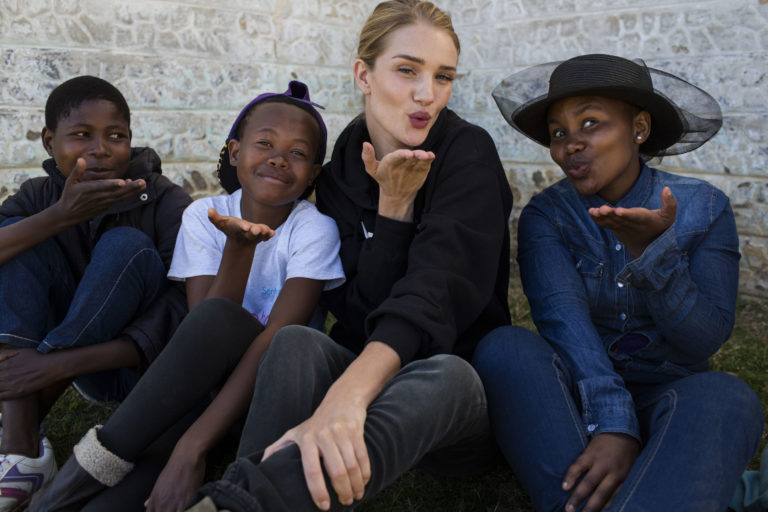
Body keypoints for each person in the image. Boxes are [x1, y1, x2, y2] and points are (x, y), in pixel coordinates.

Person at [181, 1, 514, 511]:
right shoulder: (340, 174)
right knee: (295, 342)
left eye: (443, 76)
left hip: (445, 404)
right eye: (407, 70)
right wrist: (393, 211)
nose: (427, 94)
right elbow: (357, 310)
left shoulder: (467, 154)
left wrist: (346, 397)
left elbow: (437, 296)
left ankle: (235, 501)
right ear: (364, 73)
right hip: (362, 388)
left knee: (448, 375)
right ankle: (243, 484)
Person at [29, 80, 345, 512]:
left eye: (297, 153)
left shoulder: (314, 229)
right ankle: (69, 490)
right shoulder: (203, 215)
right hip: (199, 385)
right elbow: (202, 331)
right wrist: (237, 248)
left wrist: (190, 449)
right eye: (265, 143)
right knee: (113, 501)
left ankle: (70, 485)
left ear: (313, 173)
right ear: (235, 152)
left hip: (266, 391)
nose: (278, 158)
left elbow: (277, 338)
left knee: (224, 340)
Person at [473, 53, 764, 512]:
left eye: (591, 122)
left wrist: (652, 256)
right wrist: (612, 424)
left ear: (640, 128)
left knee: (728, 398)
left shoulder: (705, 208)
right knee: (505, 348)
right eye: (559, 132)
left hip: (673, 397)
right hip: (576, 403)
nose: (571, 144)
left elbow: (703, 339)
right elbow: (563, 321)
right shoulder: (546, 216)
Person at [0, 75, 192, 511]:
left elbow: (183, 307)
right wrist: (59, 217)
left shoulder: (163, 199)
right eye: (81, 135)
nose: (101, 149)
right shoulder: (38, 195)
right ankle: (21, 445)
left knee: (126, 247)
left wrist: (52, 366)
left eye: (116, 136)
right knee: (15, 235)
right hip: (63, 366)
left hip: (134, 368)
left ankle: (18, 426)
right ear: (50, 141)